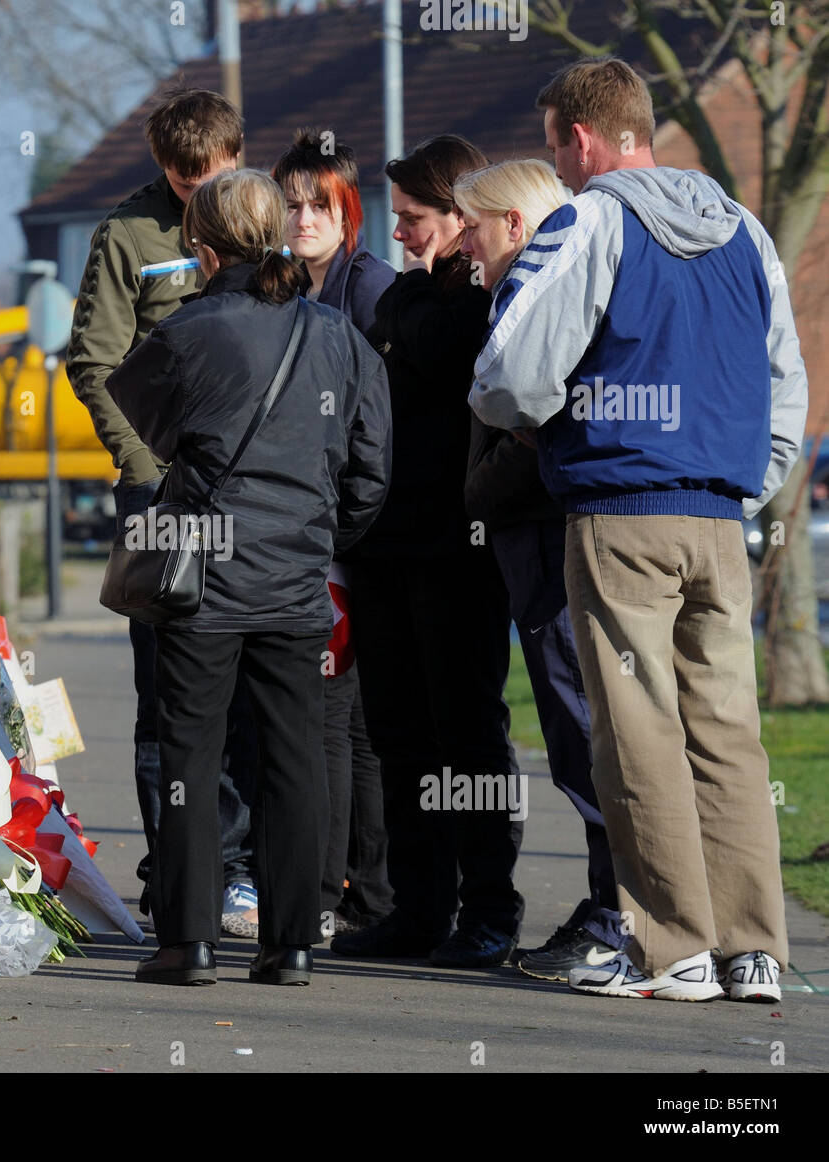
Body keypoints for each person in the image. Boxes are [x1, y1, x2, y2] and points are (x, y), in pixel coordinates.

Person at [469, 58, 808, 1001]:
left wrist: (520, 412)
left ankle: (677, 950)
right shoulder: (744, 228)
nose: (561, 170)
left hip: (621, 510)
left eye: (555, 150)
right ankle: (756, 952)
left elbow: (511, 368)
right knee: (729, 735)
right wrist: (750, 480)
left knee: (639, 733)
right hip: (718, 515)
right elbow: (787, 379)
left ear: (582, 139)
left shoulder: (593, 217)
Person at [106, 168, 392, 985]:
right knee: (295, 761)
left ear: (201, 247)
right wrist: (320, 534)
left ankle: (188, 941)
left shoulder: (189, 332)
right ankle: (292, 942)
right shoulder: (338, 335)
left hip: (205, 580)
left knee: (191, 758)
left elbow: (153, 430)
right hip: (299, 579)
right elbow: (373, 468)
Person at [65, 88, 262, 937]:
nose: (196, 195)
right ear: (163, 170)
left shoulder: (264, 220)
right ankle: (177, 869)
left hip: (255, 489)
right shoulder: (127, 236)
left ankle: (244, 867)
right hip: (163, 492)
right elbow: (95, 362)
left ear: (235, 157)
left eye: (208, 177)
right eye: (181, 183)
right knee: (167, 690)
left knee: (257, 683)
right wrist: (146, 469)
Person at [331, 135, 526, 970]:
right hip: (384, 544)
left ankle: (488, 908)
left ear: (461, 214)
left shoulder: (482, 293)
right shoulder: (416, 295)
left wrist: (407, 305)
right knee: (402, 731)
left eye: (414, 219)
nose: (399, 235)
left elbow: (440, 343)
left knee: (468, 731)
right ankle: (418, 908)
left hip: (456, 548)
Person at [456, 158, 626, 979]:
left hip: (547, 539)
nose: (464, 243)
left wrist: (478, 492)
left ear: (515, 226)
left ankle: (617, 916)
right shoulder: (516, 288)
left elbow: (539, 431)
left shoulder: (546, 293)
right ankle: (612, 907)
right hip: (532, 544)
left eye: (475, 225)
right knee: (575, 735)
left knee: (586, 732)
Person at [272, 129, 397, 934]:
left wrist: (341, 533)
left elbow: (373, 434)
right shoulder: (291, 295)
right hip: (317, 538)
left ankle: (350, 893)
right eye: (291, 204)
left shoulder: (373, 293)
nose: (304, 218)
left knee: (351, 727)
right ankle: (360, 894)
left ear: (349, 209)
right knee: (341, 723)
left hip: (360, 539)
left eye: (320, 204)